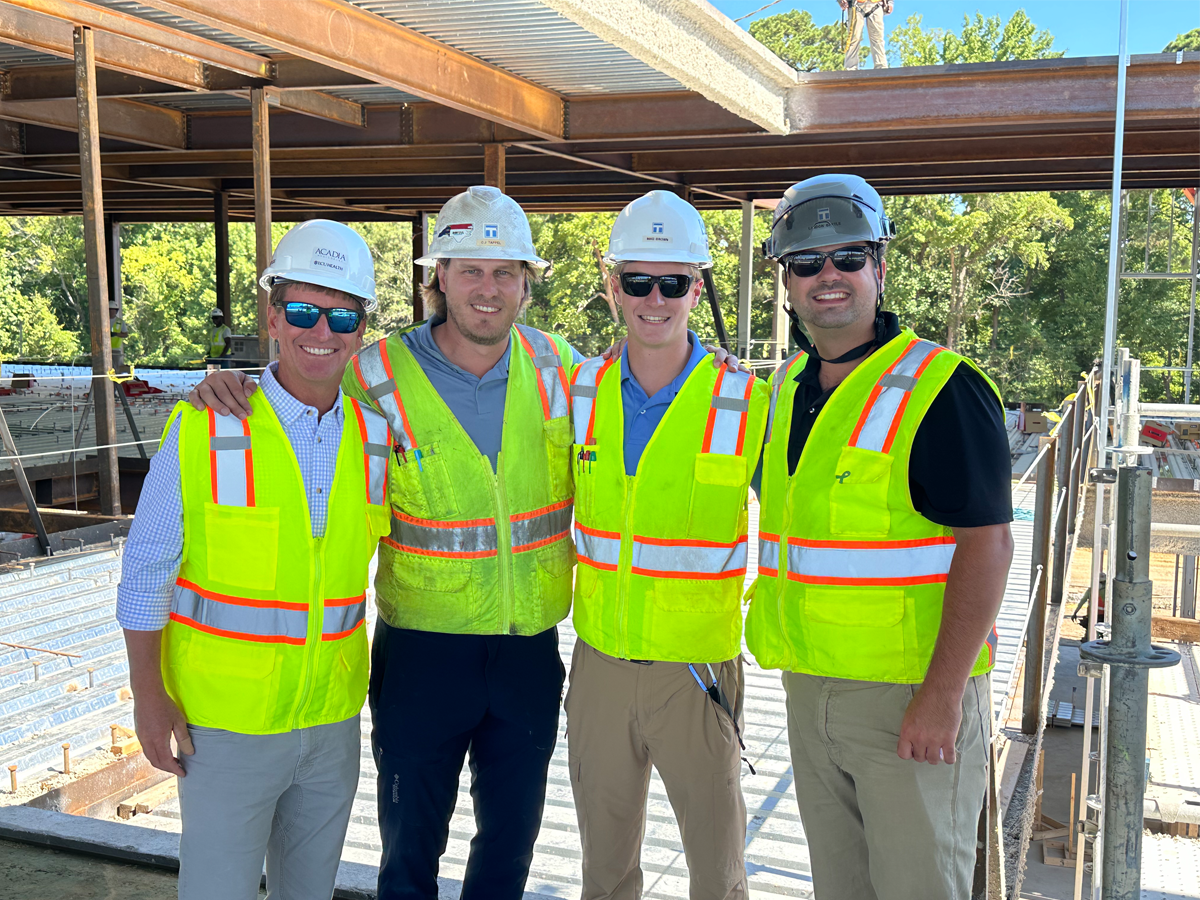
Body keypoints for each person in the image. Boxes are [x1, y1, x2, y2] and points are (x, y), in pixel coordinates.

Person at [744, 173, 1014, 900]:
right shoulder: (791, 388)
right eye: (806, 262)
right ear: (787, 280)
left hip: (908, 700)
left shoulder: (942, 387)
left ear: (880, 267)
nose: (827, 277)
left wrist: (943, 696)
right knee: (842, 887)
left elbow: (987, 547)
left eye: (847, 258)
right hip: (809, 689)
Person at [116, 219, 391, 900]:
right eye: (302, 310)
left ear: (362, 328)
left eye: (341, 315)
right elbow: (147, 570)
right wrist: (149, 700)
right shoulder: (204, 427)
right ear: (273, 316)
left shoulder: (376, 439)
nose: (320, 331)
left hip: (329, 725)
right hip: (225, 729)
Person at [565, 191, 769, 900]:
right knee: (604, 870)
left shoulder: (744, 401)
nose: (655, 299)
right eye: (638, 281)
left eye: (673, 282)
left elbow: (808, 525)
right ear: (611, 283)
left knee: (717, 873)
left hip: (696, 674)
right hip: (598, 667)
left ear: (698, 286)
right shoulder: (577, 390)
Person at [840, 0, 892, 70]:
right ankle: (850, 68)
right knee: (854, 38)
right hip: (855, 4)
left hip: (876, 4)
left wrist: (890, 3)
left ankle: (881, 67)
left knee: (877, 39)